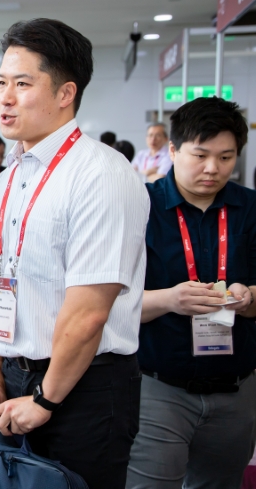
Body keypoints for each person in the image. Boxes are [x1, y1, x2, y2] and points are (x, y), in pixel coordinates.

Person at [0, 18, 149, 489]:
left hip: (84, 389)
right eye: (1, 83)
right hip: (12, 381)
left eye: (22, 84)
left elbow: (88, 312)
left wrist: (46, 399)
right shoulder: (4, 183)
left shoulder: (102, 175)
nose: (5, 98)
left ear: (66, 93)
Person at [126, 97, 256, 489]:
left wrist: (250, 298)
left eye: (226, 157)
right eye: (200, 155)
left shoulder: (250, 208)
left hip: (236, 388)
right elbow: (105, 303)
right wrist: (169, 300)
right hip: (158, 386)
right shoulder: (139, 208)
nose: (213, 168)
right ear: (173, 150)